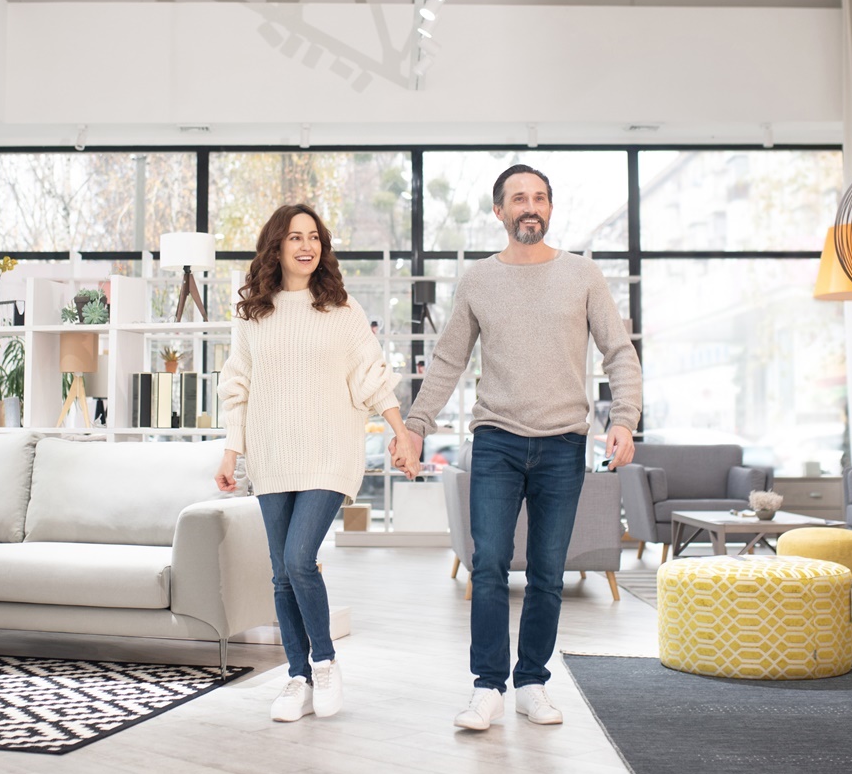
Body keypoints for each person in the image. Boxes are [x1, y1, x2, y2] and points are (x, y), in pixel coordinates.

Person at [393, 164, 642, 731]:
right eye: (519, 198)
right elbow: (449, 359)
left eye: (540, 198)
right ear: (499, 211)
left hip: (563, 444)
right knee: (489, 565)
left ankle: (532, 683)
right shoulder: (479, 280)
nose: (531, 207)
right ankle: (487, 687)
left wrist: (624, 418)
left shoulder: (582, 275)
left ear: (549, 208)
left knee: (548, 572)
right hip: (497, 441)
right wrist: (416, 425)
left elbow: (618, 352)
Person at [217, 203, 415, 723]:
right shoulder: (252, 314)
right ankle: (297, 677)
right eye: (295, 237)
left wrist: (400, 433)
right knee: (281, 573)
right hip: (271, 454)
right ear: (276, 246)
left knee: (300, 559)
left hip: (329, 452)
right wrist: (231, 451)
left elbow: (371, 375)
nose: (306, 246)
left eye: (314, 237)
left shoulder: (341, 310)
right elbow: (238, 386)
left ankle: (324, 662)